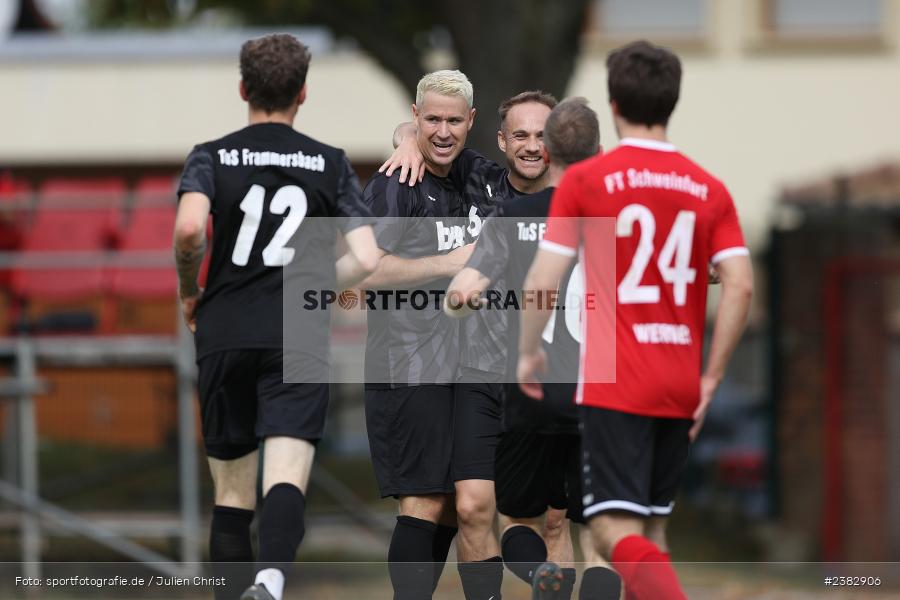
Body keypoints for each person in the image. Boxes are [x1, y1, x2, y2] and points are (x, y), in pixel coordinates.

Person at [518, 40, 754, 600]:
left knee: (608, 526)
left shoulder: (587, 180)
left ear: (614, 106)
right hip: (678, 375)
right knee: (651, 529)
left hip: (616, 377)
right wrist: (712, 376)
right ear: (672, 102)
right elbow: (741, 284)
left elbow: (543, 280)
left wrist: (528, 350)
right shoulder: (709, 187)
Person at [174, 33, 378, 600]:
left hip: (225, 330)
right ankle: (270, 580)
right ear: (303, 93)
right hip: (297, 332)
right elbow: (365, 258)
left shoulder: (211, 155)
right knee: (286, 473)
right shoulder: (329, 163)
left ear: (243, 88)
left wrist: (189, 289)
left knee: (232, 494)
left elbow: (190, 230)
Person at [384, 91, 559, 600]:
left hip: (552, 378)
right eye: (520, 136)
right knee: (470, 509)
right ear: (501, 140)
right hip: (479, 375)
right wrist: (406, 140)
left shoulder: (579, 202)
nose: (531, 147)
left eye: (543, 136)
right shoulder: (478, 179)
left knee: (551, 520)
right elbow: (433, 133)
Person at [445, 98, 622, 600]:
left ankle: (545, 575)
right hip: (600, 394)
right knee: (602, 529)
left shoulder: (514, 214)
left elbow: (464, 290)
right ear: (600, 153)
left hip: (532, 393)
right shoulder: (616, 216)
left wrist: (459, 301)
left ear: (548, 152)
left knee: (519, 518)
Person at [360, 69, 476, 600]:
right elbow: (368, 272)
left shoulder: (481, 177)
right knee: (423, 501)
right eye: (431, 120)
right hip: (407, 363)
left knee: (459, 502)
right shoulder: (393, 182)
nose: (443, 131)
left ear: (471, 122)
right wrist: (452, 261)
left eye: (454, 120)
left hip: (470, 366)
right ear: (415, 117)